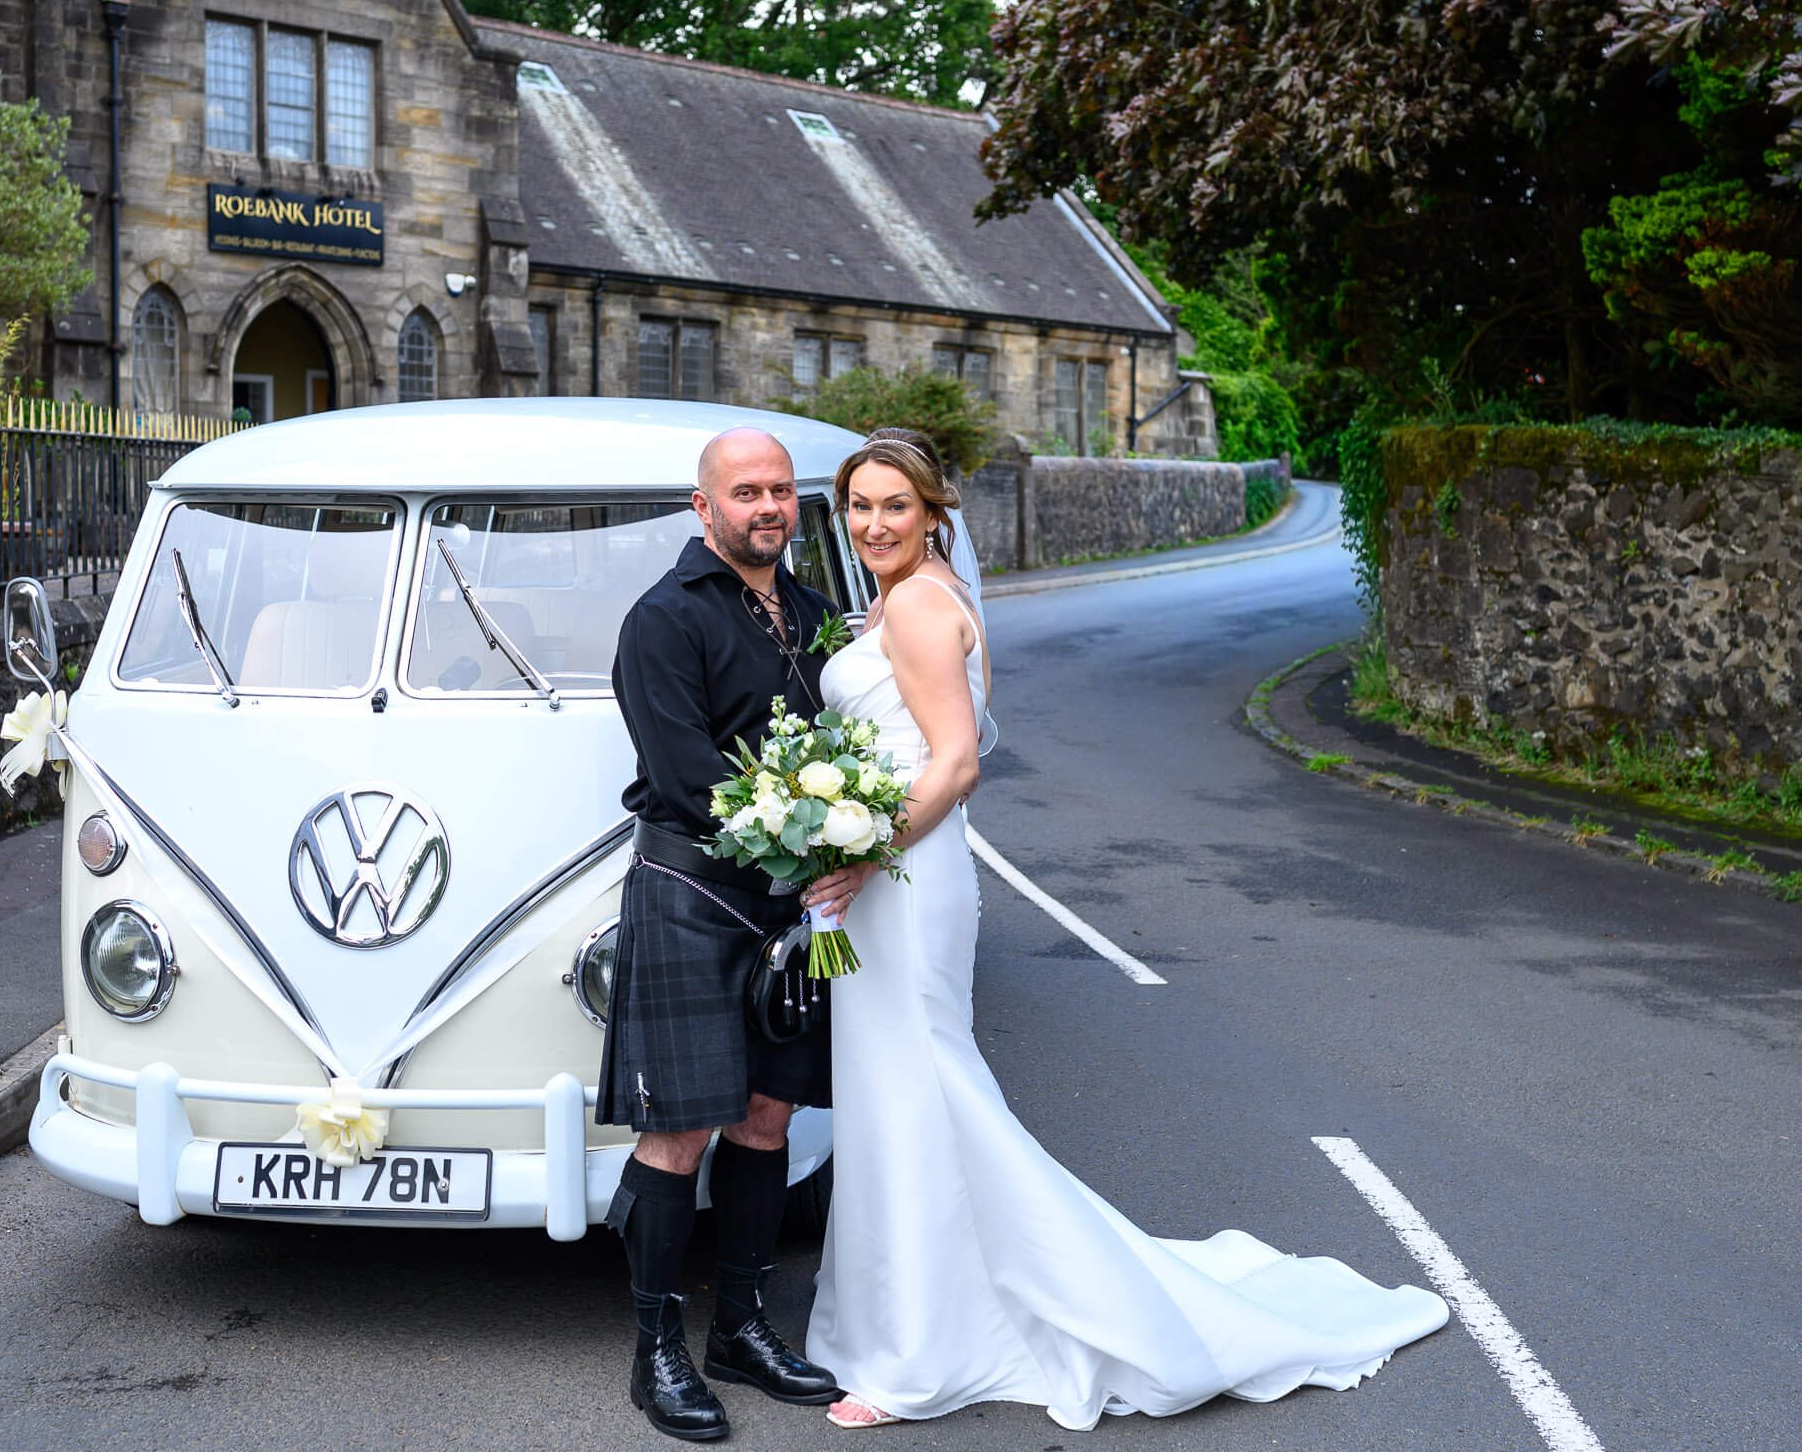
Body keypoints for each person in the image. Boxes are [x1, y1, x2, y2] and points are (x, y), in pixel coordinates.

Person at [803, 435, 1452, 1431]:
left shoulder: (923, 606)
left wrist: (860, 844)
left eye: (894, 505)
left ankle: (920, 1353)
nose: (872, 523)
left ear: (933, 511)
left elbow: (956, 763)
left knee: (922, 1090)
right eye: (857, 506)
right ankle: (909, 1322)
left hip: (902, 871)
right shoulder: (908, 597)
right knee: (900, 1094)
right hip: (885, 876)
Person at [599, 427, 849, 1442]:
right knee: (679, 1126)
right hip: (697, 890)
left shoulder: (822, 614)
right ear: (703, 508)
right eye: (746, 491)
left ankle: (739, 1329)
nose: (768, 507)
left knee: (766, 1117)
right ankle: (655, 1350)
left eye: (782, 491)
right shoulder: (662, 620)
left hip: (801, 906)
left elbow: (853, 741)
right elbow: (685, 770)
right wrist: (805, 837)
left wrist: (852, 832)